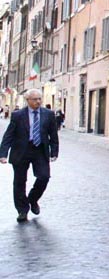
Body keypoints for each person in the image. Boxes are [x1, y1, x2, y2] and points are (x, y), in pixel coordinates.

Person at [0, 88, 59, 222]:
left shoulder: (48, 114)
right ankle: (22, 210)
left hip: (40, 150)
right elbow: (9, 135)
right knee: (19, 182)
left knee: (44, 177)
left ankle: (32, 199)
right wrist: (3, 154)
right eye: (35, 99)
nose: (38, 101)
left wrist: (54, 152)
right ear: (27, 100)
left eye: (39, 99)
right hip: (21, 151)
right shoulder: (18, 115)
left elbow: (53, 135)